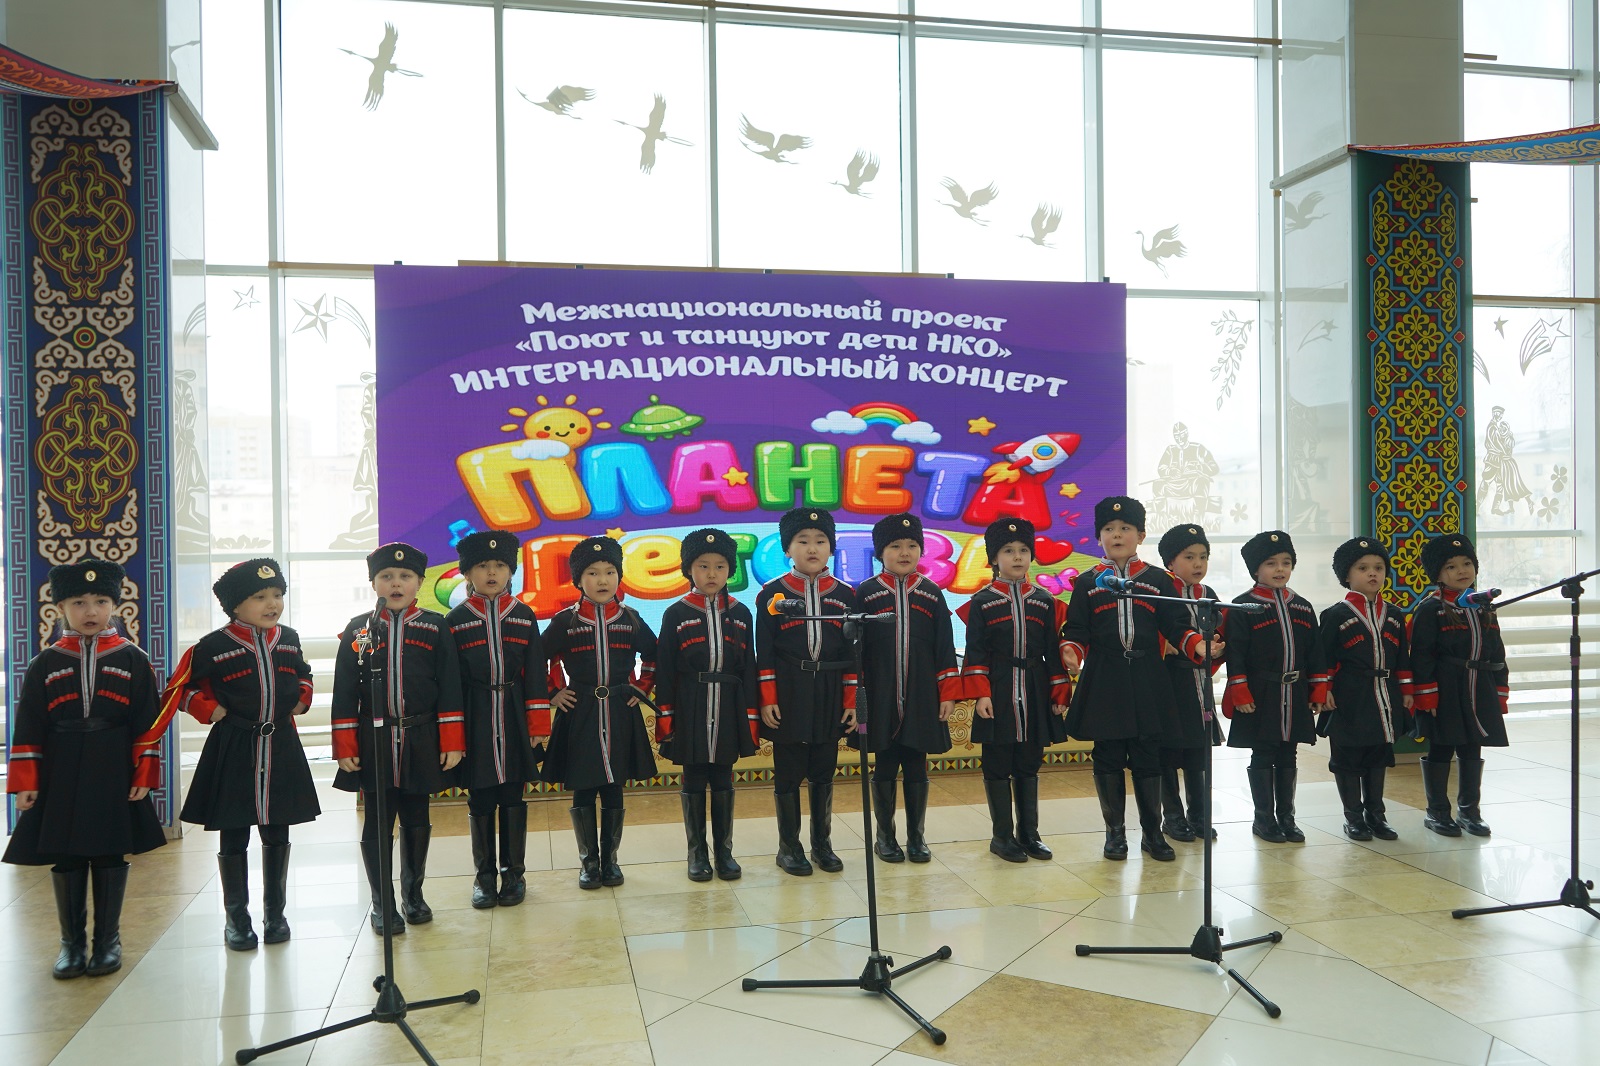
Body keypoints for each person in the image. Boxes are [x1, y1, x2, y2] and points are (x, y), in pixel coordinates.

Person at [4, 561, 167, 978]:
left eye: (100, 601)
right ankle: (71, 945)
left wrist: (143, 774)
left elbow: (147, 722)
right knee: (67, 853)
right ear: (60, 607)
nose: (90, 611)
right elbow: (29, 724)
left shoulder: (133, 659)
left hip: (113, 766)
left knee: (109, 849)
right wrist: (26, 781)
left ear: (114, 605)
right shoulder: (45, 662)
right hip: (60, 769)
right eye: (78, 602)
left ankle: (107, 942)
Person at [167, 558, 320, 950]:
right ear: (235, 605)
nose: (272, 604)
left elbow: (303, 673)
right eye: (260, 597)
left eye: (277, 594)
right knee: (234, 832)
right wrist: (208, 709)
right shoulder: (213, 646)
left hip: (281, 745)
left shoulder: (289, 638)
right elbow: (178, 689)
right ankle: (237, 920)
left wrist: (302, 698)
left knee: (277, 830)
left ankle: (275, 916)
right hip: (234, 747)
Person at [1062, 499, 1214, 862]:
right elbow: (1077, 629)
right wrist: (1071, 650)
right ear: (1099, 537)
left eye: (1125, 528)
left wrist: (1197, 643)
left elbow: (1175, 625)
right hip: (1105, 677)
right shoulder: (1087, 582)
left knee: (1149, 756)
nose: (1117, 534)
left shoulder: (1158, 580)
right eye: (1109, 529)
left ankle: (1152, 834)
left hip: (1148, 677)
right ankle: (1114, 835)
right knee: (1109, 756)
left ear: (1141, 536)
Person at [333, 543, 465, 933]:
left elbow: (450, 686)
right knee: (377, 821)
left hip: (421, 737)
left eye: (405, 577)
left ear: (419, 583)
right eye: (386, 576)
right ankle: (382, 903)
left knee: (416, 816)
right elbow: (344, 690)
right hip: (373, 740)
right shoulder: (358, 629)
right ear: (373, 582)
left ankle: (413, 894)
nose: (396, 583)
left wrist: (452, 740)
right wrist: (345, 746)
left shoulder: (436, 626)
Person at [541, 535, 658, 889]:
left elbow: (655, 656)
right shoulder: (565, 622)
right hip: (580, 713)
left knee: (613, 785)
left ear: (619, 577)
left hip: (620, 712)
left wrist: (642, 687)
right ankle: (588, 863)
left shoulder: (631, 619)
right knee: (583, 786)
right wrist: (554, 692)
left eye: (610, 572)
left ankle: (611, 861)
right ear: (579, 580)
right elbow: (538, 659)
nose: (602, 580)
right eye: (592, 573)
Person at [445, 530, 549, 908]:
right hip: (475, 715)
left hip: (514, 714)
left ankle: (514, 875)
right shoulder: (455, 620)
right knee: (481, 797)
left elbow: (535, 672)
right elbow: (450, 683)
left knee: (512, 796)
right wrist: (454, 735)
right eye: (482, 566)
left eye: (500, 565)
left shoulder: (523, 616)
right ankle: (484, 878)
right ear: (467, 573)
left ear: (511, 571)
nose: (492, 573)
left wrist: (537, 725)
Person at [654, 528, 759, 881]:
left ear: (730, 570)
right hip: (690, 704)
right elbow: (665, 670)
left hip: (729, 705)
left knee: (724, 778)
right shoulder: (675, 613)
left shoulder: (742, 613)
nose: (712, 573)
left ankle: (724, 852)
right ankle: (697, 853)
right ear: (689, 569)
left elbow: (748, 667)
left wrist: (749, 716)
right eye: (703, 566)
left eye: (719, 566)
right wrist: (667, 719)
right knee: (695, 777)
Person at [965, 517, 1072, 863]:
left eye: (1023, 550)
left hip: (1035, 687)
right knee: (997, 763)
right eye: (1008, 550)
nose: (1017, 557)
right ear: (994, 558)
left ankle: (1030, 834)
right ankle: (1001, 837)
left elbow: (1053, 651)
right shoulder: (982, 601)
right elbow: (975, 652)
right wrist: (981, 694)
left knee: (1028, 763)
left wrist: (1059, 692)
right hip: (998, 688)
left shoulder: (1044, 600)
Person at [757, 508, 857, 876]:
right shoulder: (771, 594)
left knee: (823, 771)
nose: (812, 548)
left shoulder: (845, 595)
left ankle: (822, 845)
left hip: (830, 691)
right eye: (802, 541)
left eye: (820, 541)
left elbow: (851, 654)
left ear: (831, 548)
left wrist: (851, 701)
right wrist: (768, 698)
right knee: (788, 774)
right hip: (789, 690)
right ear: (788, 548)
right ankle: (789, 848)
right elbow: (764, 651)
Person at [858, 513, 961, 863]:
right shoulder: (866, 593)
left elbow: (944, 647)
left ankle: (917, 838)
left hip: (921, 695)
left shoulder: (931, 593)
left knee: (916, 765)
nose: (904, 552)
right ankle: (885, 837)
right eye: (895, 546)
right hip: (880, 695)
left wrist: (947, 693)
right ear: (880, 552)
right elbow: (857, 650)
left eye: (912, 545)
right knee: (885, 764)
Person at [1314, 538, 1413, 841]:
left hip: (1385, 694)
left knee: (1378, 754)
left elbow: (1403, 657)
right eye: (1363, 568)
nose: (1373, 573)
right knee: (1348, 756)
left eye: (1379, 568)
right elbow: (1324, 657)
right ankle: (1353, 817)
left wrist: (1407, 690)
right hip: (1349, 695)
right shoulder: (1336, 615)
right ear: (1346, 575)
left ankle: (1376, 815)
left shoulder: (1394, 614)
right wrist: (1324, 689)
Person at [1410, 533, 1508, 836]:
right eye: (1451, 566)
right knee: (1442, 746)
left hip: (1480, 685)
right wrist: (1426, 696)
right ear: (1438, 574)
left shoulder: (1483, 606)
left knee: (1471, 746)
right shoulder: (1431, 609)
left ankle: (1469, 811)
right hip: (1446, 688)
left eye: (1467, 563)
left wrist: (1500, 691)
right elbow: (1421, 656)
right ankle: (1437, 811)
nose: (1461, 571)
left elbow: (1497, 651)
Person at [1224, 531, 1318, 843]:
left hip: (1295, 691)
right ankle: (1263, 819)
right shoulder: (1243, 606)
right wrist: (1239, 689)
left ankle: (1287, 818)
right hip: (1261, 692)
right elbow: (1236, 653)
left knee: (1289, 752)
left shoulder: (1303, 607)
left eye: (1286, 562)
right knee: (1264, 752)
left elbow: (1315, 653)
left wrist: (1317, 688)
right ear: (1255, 569)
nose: (1280, 569)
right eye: (1271, 563)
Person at [1155, 524, 1225, 842]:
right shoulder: (1159, 591)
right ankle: (1172, 817)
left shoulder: (1208, 595)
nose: (1198, 564)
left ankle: (1199, 815)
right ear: (1170, 561)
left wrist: (1218, 649)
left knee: (1199, 752)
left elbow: (1220, 633)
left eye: (1203, 556)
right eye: (1189, 557)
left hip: (1200, 683)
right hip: (1169, 683)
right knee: (1168, 752)